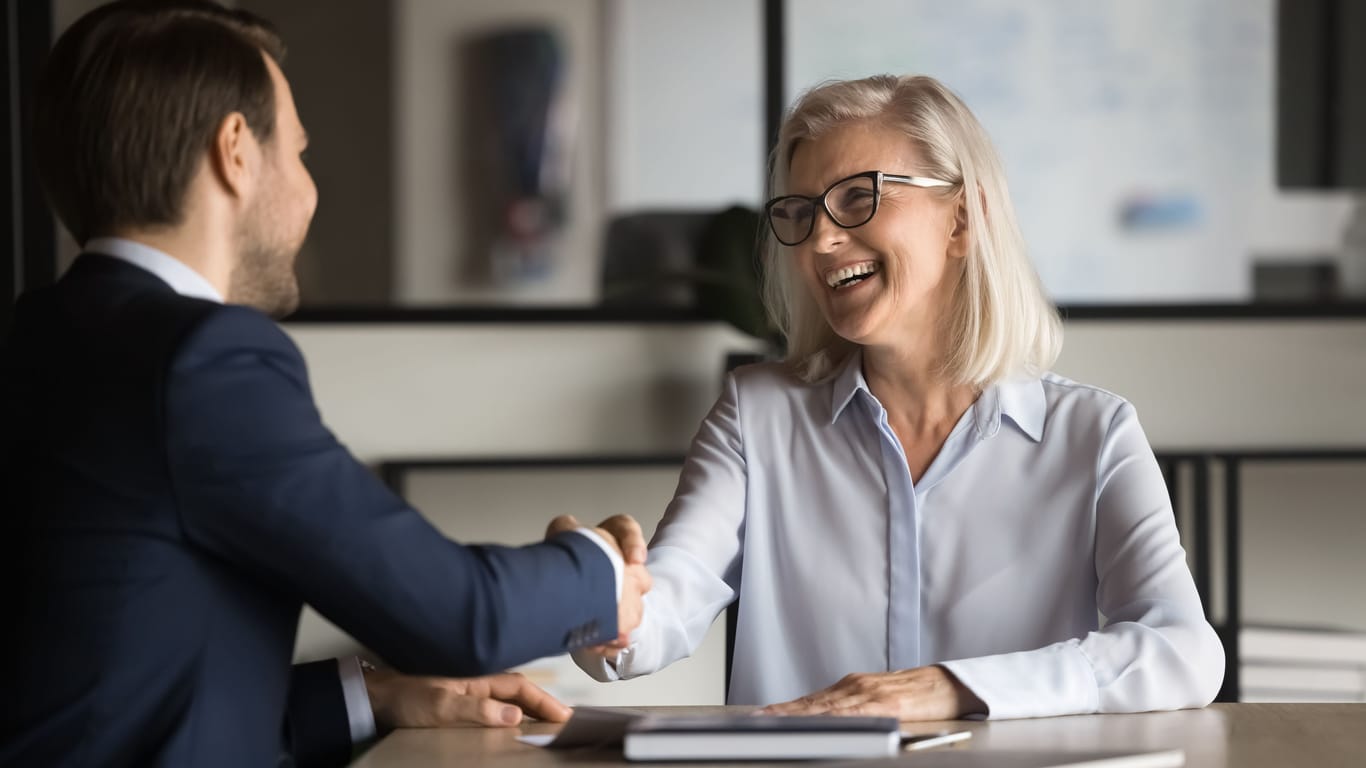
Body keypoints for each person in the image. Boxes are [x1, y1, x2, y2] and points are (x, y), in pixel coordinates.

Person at [0, 2, 651, 766]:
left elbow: (121, 685)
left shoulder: (39, 337)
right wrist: (602, 568)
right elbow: (456, 615)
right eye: (299, 153)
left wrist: (372, 695)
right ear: (235, 151)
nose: (308, 192)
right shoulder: (199, 357)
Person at [574, 74, 1224, 720]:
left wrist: (953, 687)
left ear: (962, 221)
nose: (822, 241)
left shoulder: (1093, 434)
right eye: (801, 213)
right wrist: (591, 587)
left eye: (858, 198)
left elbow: (1183, 652)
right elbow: (660, 611)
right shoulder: (755, 417)